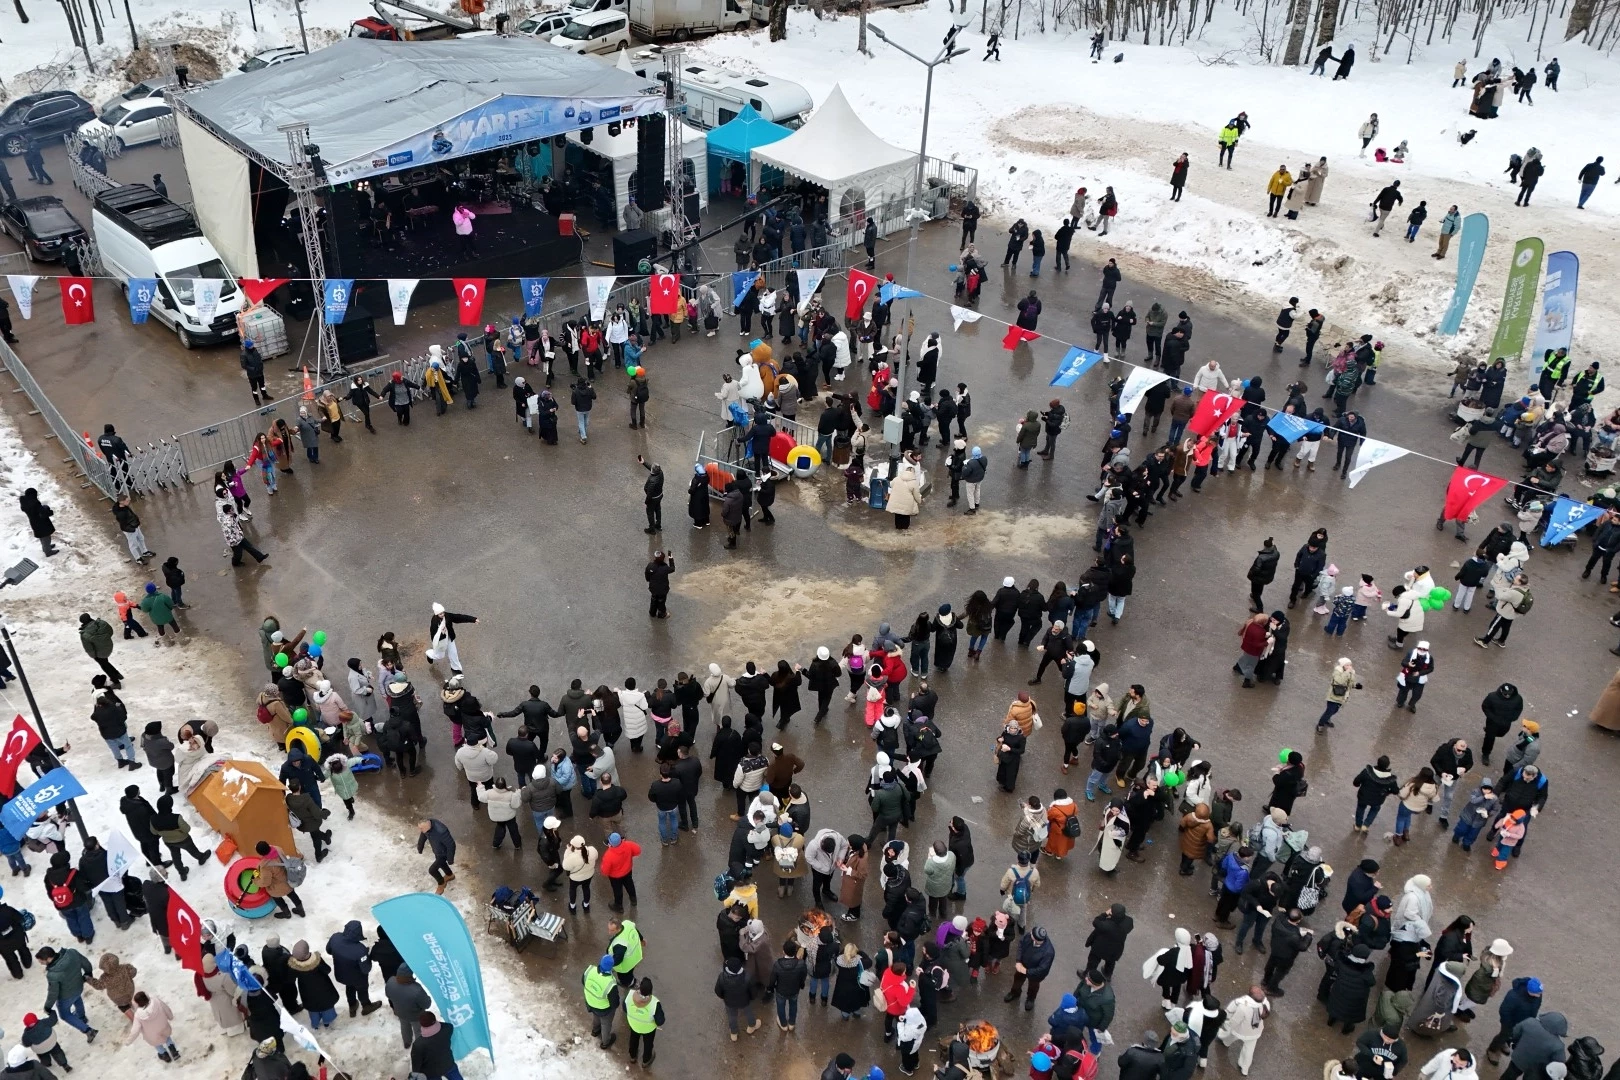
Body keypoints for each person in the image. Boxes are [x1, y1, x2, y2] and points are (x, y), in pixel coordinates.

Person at [1216, 986, 1270, 1076]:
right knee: (1249, 1050)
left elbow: (1235, 1021)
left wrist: (1227, 1024)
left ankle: (1225, 1041)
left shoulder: (1243, 1007)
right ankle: (1245, 1068)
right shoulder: (1265, 1004)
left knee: (1232, 1034)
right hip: (1255, 1032)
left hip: (1241, 1030)